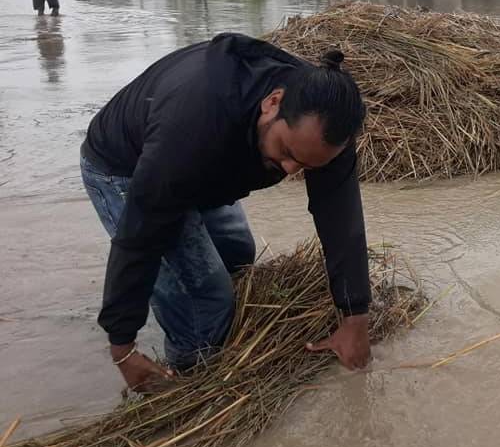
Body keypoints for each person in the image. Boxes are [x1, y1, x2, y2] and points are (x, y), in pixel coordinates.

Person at [80, 34, 371, 392]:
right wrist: (122, 345)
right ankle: (188, 376)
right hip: (124, 167)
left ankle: (199, 324)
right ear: (272, 102)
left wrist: (355, 314)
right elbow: (141, 234)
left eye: (306, 165)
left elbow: (341, 218)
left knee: (237, 252)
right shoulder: (193, 124)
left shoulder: (325, 124)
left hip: (203, 168)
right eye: (286, 152)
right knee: (208, 301)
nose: (291, 170)